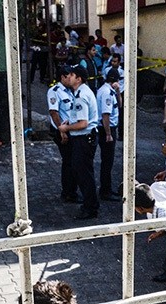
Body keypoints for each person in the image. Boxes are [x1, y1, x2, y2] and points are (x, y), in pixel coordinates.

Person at [59, 65, 101, 220]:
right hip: (84, 138)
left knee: (83, 173)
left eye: (71, 74)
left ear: (78, 78)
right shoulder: (80, 93)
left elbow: (83, 123)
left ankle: (90, 207)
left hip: (84, 138)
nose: (68, 77)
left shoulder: (81, 96)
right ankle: (90, 204)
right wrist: (69, 120)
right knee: (82, 171)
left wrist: (66, 127)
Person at [48, 68, 78, 204]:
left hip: (72, 130)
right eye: (69, 77)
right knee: (68, 162)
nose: (71, 79)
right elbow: (54, 113)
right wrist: (62, 131)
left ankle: (71, 191)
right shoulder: (54, 92)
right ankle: (68, 193)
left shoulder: (70, 91)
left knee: (72, 161)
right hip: (62, 132)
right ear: (62, 77)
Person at [96, 68, 122, 202]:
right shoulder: (106, 92)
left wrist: (117, 91)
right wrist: (108, 134)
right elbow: (105, 115)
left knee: (109, 161)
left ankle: (107, 188)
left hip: (110, 128)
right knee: (107, 161)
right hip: (107, 129)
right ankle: (105, 191)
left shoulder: (109, 91)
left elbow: (120, 104)